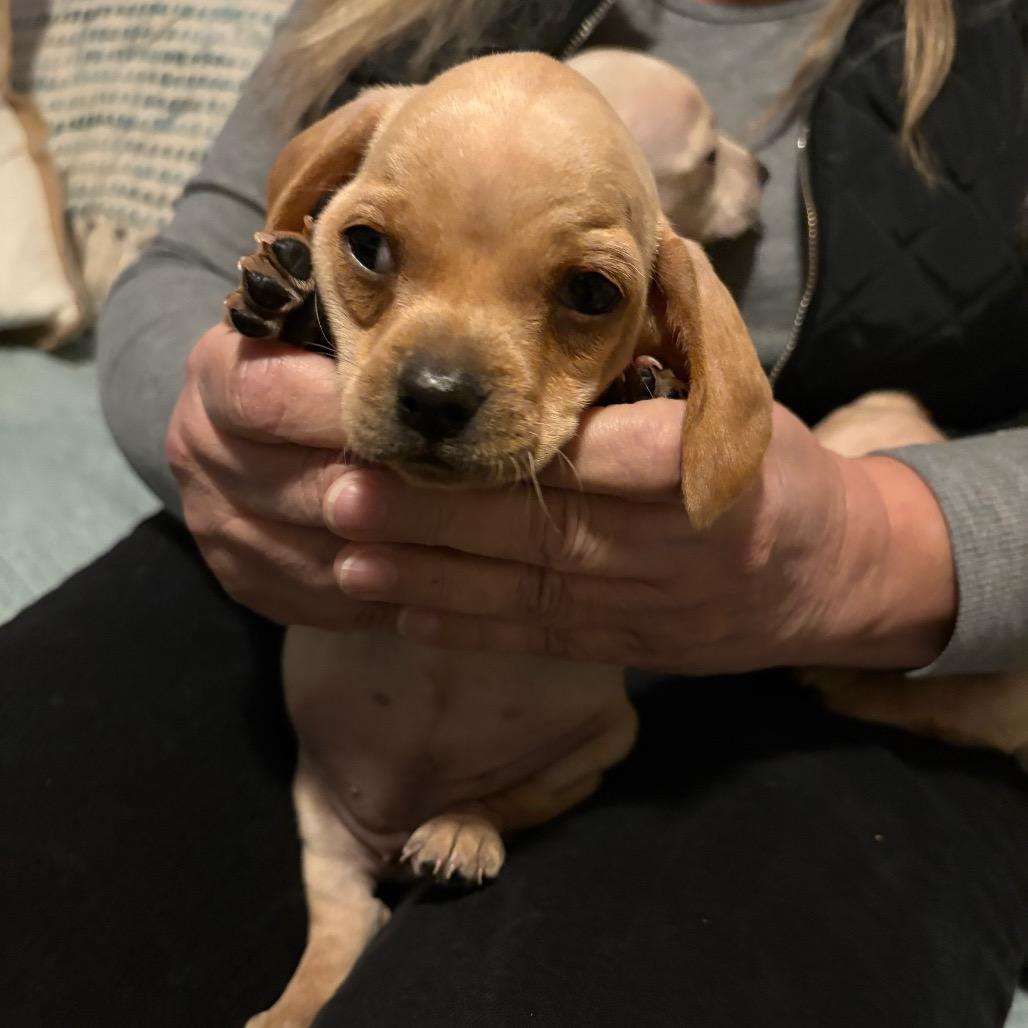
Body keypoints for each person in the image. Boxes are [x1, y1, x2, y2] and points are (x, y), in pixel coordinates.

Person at [4, 0, 1027, 1025]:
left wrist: (868, 549)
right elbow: (207, 253)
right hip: (303, 570)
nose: (442, 377)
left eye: (585, 293)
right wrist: (232, 438)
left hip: (845, 677)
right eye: (370, 248)